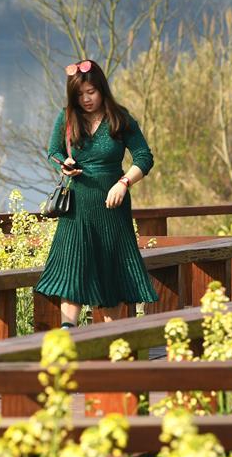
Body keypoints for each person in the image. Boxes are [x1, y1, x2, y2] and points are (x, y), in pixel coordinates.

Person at [35, 59, 158, 328]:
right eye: (79, 94)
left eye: (91, 92)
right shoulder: (66, 117)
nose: (86, 99)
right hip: (77, 208)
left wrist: (124, 183)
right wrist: (65, 164)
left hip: (112, 208)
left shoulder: (120, 118)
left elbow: (144, 157)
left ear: (102, 89)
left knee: (111, 271)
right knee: (73, 269)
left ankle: (111, 338)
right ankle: (67, 335)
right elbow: (53, 152)